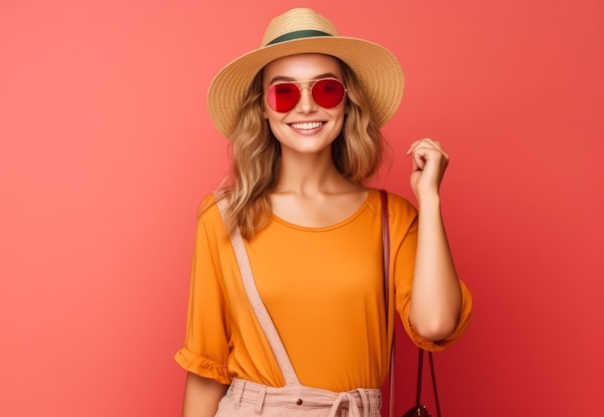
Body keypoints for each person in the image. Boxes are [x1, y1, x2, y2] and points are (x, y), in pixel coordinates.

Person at [175, 7, 472, 417]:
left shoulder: (392, 218)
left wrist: (431, 199)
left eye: (326, 90)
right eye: (285, 93)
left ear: (347, 101)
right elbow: (206, 367)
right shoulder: (225, 215)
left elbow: (435, 324)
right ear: (263, 108)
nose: (307, 106)